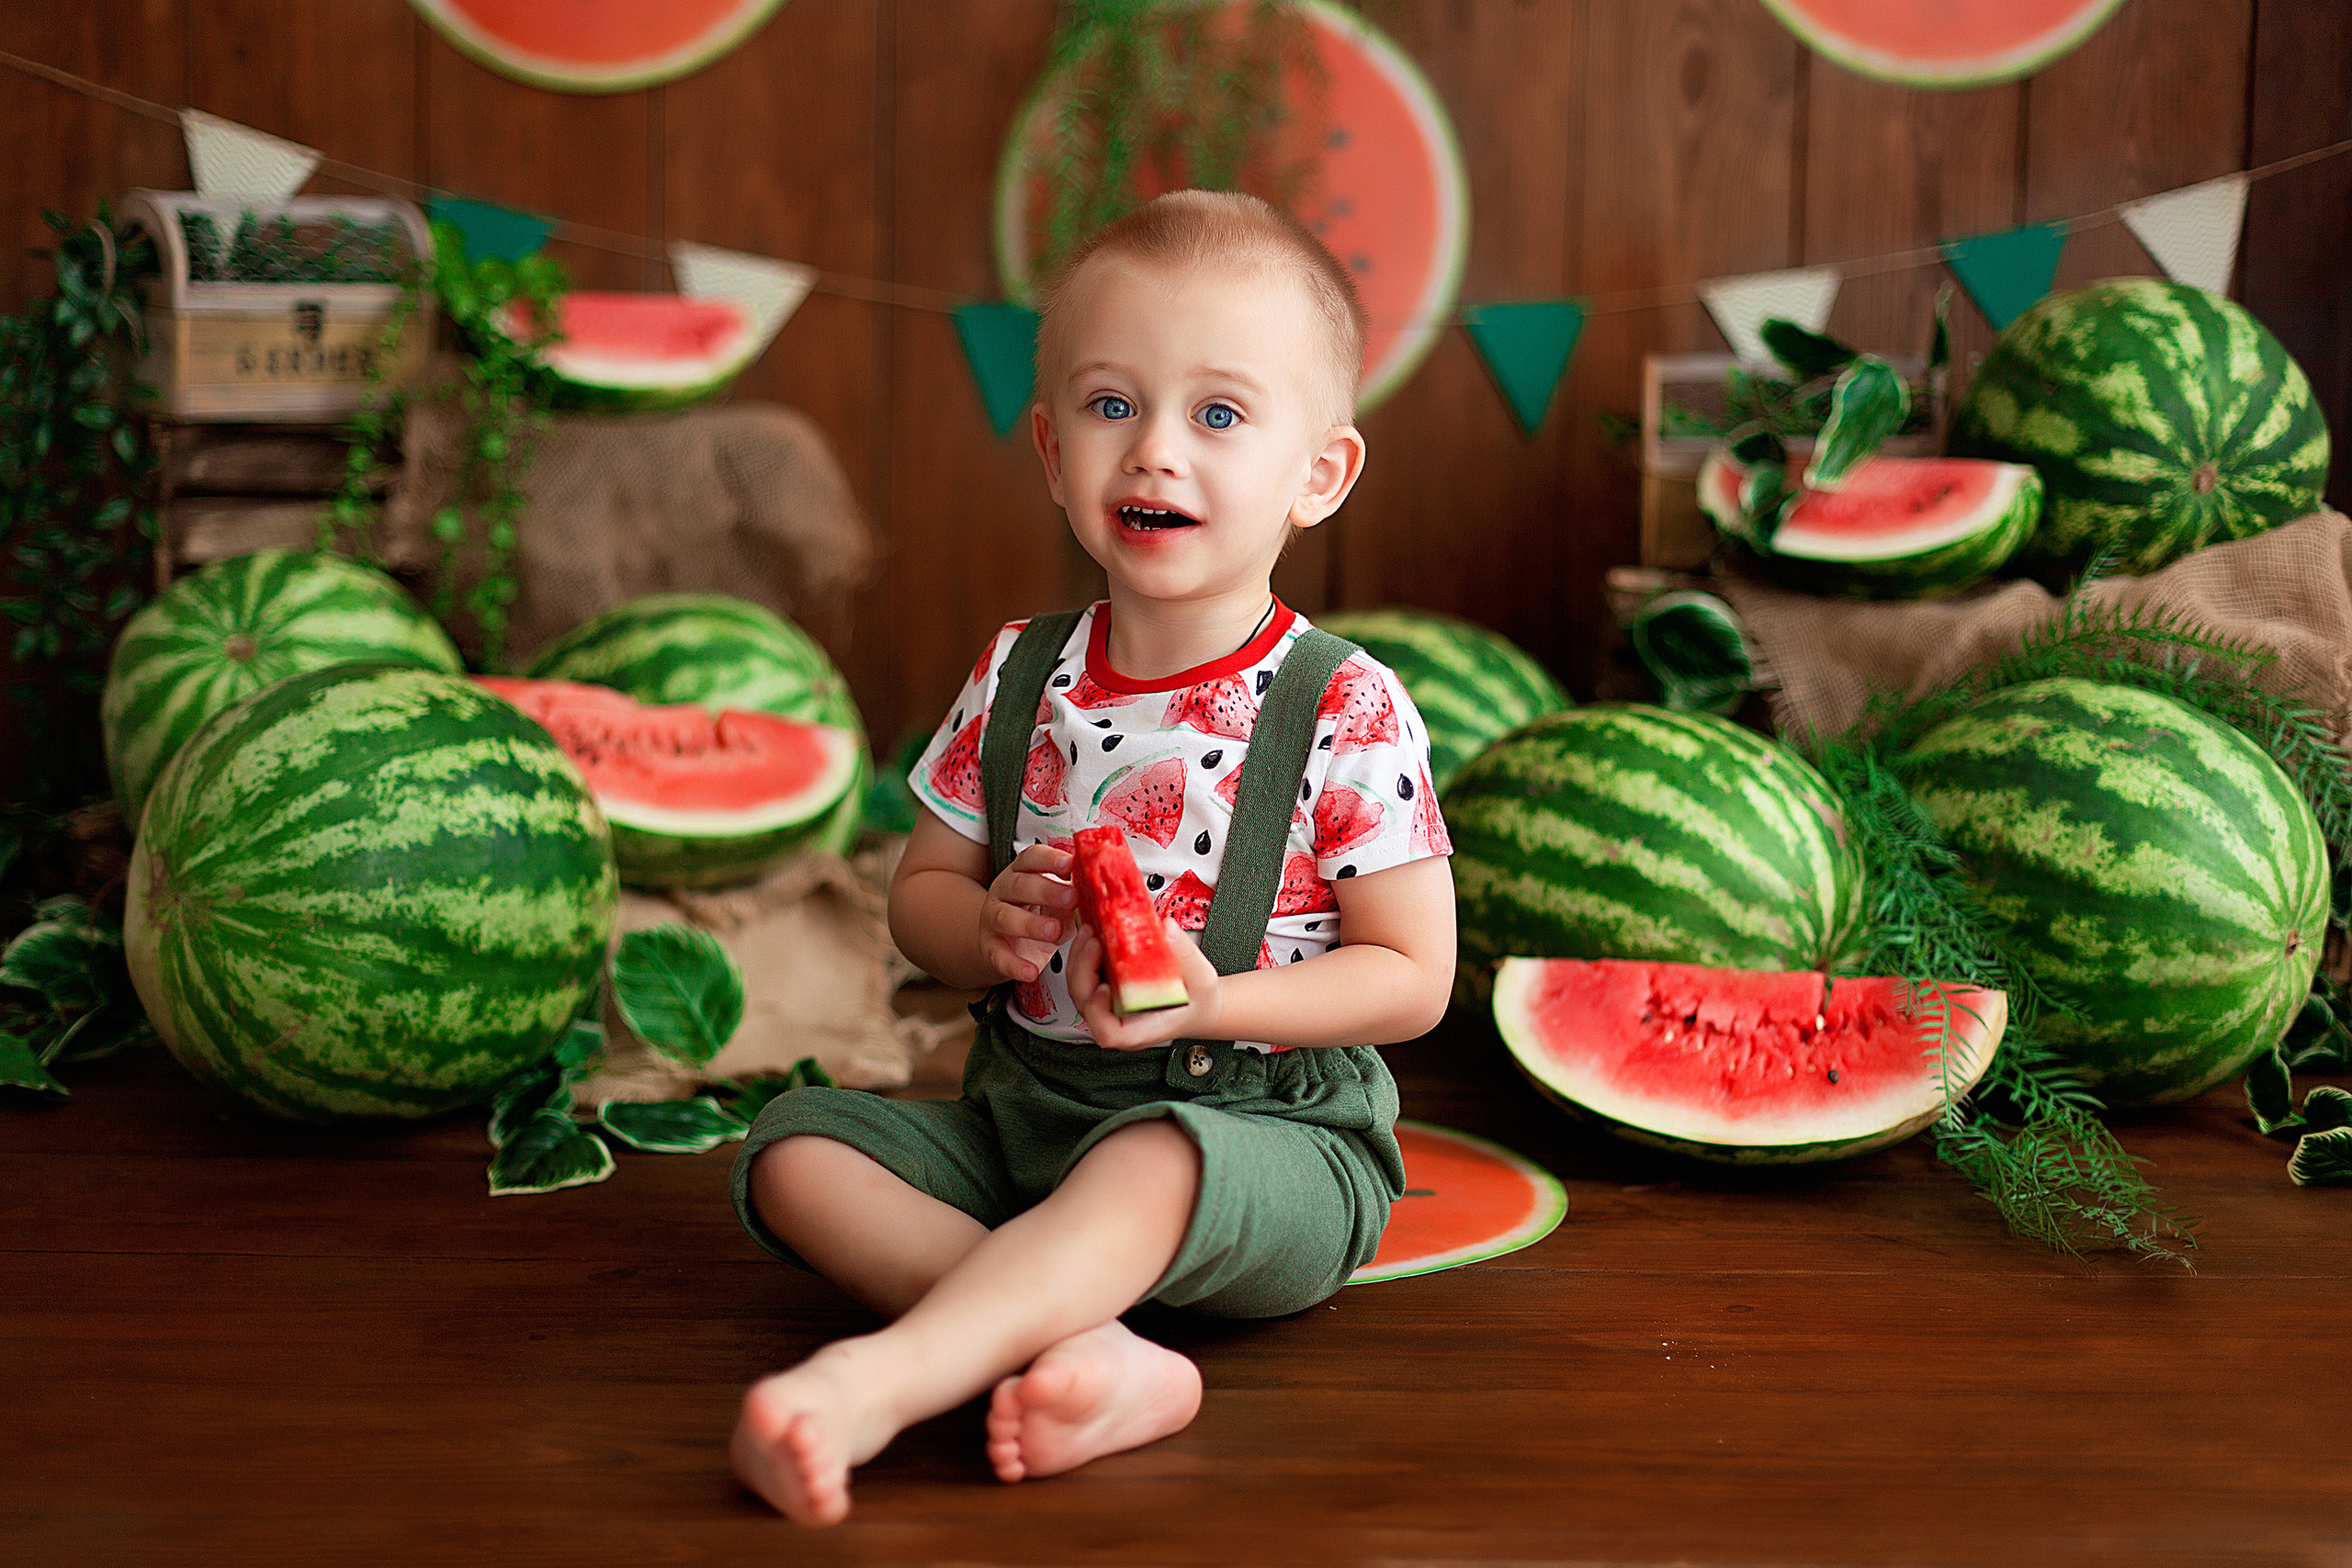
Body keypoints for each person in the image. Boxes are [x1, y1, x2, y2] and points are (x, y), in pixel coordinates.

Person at [727, 188, 1457, 1528]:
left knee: (1157, 1157)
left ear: (1321, 472)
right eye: (1113, 407)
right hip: (1028, 1127)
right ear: (1055, 454)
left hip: (1264, 1140)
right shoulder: (1018, 676)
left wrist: (1221, 1001)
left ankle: (885, 1379)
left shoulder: (1342, 705)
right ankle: (1083, 1350)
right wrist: (982, 930)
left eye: (1219, 415)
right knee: (795, 1149)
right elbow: (921, 897)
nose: (1156, 455)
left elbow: (1412, 980)